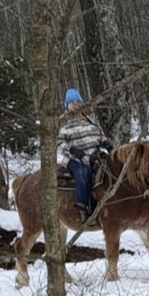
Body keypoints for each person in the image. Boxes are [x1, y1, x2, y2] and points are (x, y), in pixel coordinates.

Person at [57, 88, 113, 221]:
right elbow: (58, 144)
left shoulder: (90, 121)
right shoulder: (64, 123)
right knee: (83, 173)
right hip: (74, 159)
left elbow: (100, 136)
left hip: (94, 155)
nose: (75, 104)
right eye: (72, 102)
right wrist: (73, 151)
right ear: (67, 105)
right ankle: (83, 208)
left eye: (78, 101)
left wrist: (107, 144)